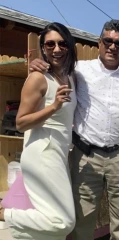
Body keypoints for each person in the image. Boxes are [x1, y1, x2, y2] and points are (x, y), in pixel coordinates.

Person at [27, 19, 119, 240]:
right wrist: (37, 63)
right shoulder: (79, 70)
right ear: (99, 42)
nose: (112, 47)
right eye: (108, 41)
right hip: (85, 156)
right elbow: (53, 70)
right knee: (82, 217)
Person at [0, 22, 77, 239]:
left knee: (52, 225)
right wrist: (53, 107)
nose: (56, 49)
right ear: (43, 48)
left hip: (58, 153)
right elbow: (21, 122)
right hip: (43, 153)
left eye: (62, 43)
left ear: (70, 46)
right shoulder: (38, 78)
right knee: (63, 221)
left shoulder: (69, 77)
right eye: (50, 44)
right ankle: (6, 214)